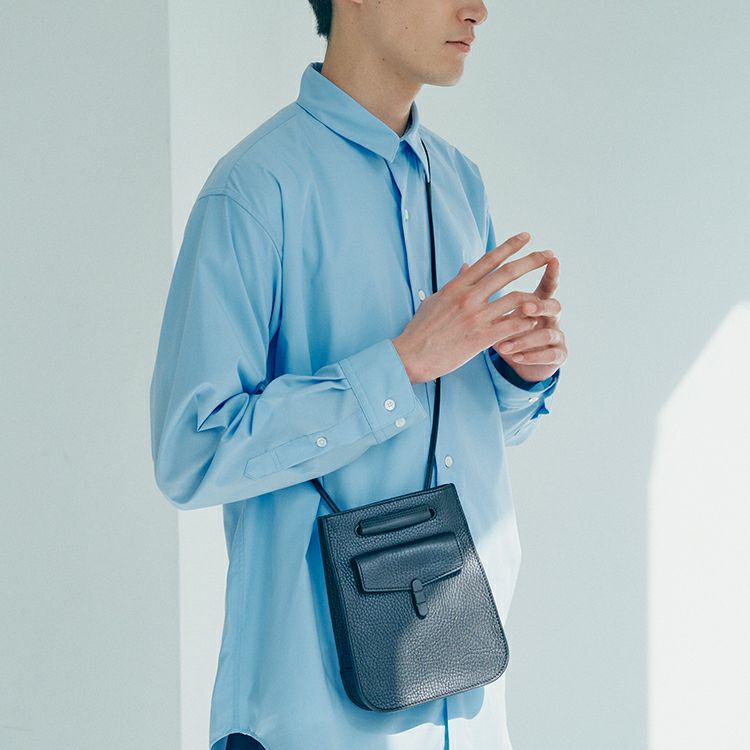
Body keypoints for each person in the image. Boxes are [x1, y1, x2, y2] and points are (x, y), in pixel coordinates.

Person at [149, 1, 567, 748]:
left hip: (467, 693)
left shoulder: (459, 183)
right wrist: (400, 365)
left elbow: (467, 429)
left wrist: (518, 377)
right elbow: (192, 450)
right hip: (310, 714)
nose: (478, 10)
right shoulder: (253, 189)